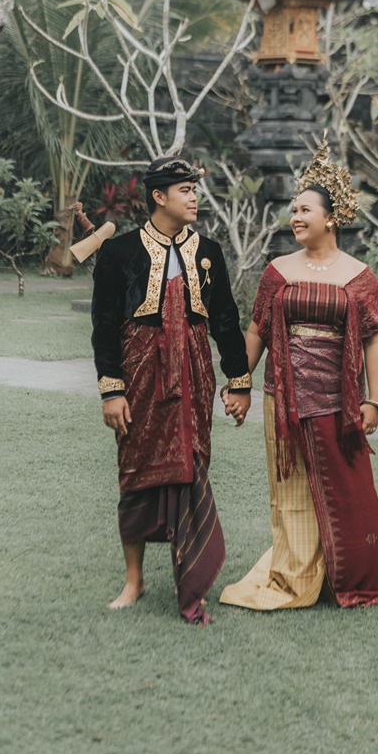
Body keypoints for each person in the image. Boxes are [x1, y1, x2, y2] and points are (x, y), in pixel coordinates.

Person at [220, 140, 378, 611]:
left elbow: (373, 339)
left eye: (305, 210)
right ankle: (296, 574)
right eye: (293, 210)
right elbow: (256, 329)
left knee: (346, 494)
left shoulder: (358, 276)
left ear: (331, 218)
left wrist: (374, 400)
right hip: (283, 397)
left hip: (336, 402)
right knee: (290, 492)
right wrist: (240, 384)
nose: (295, 217)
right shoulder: (278, 271)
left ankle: (348, 569)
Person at [92, 156, 252, 625]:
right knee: (135, 472)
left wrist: (239, 383)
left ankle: (191, 578)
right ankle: (134, 580)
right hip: (140, 380)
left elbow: (226, 322)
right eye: (185, 190)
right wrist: (111, 390)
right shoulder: (119, 253)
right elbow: (104, 326)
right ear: (159, 197)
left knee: (191, 467)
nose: (194, 197)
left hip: (194, 379)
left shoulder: (209, 252)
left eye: (194, 189)